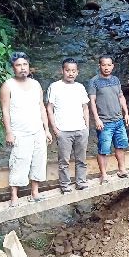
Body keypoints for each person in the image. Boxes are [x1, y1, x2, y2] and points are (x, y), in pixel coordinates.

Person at [0, 52, 53, 206]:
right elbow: (5, 110)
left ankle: (34, 192)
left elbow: (41, 107)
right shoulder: (8, 85)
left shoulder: (35, 84)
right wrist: (9, 132)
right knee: (18, 161)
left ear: (29, 66)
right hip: (19, 131)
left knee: (38, 160)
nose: (22, 68)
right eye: (18, 65)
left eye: (25, 65)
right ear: (13, 68)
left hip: (37, 130)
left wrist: (46, 130)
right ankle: (14, 196)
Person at [47, 57, 89, 193]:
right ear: (62, 71)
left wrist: (87, 127)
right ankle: (65, 185)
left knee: (81, 159)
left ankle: (81, 182)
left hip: (80, 129)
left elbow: (85, 108)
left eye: (73, 71)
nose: (70, 73)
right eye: (67, 70)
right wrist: (55, 128)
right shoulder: (55, 87)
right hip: (63, 130)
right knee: (64, 161)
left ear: (77, 72)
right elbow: (49, 108)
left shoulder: (80, 87)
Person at [89, 56, 129, 183]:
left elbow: (121, 97)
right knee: (104, 149)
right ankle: (104, 174)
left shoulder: (116, 80)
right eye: (104, 65)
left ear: (113, 66)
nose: (106, 67)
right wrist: (97, 119)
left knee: (120, 146)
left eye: (109, 65)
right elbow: (92, 101)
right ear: (99, 66)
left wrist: (127, 113)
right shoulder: (94, 81)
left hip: (118, 120)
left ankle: (122, 169)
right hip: (104, 122)